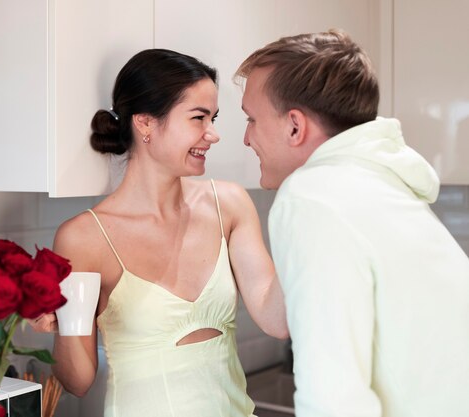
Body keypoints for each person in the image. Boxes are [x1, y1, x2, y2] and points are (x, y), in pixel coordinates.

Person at [29, 48, 288, 416]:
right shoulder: (85, 237)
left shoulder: (228, 205)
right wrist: (59, 320)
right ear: (146, 123)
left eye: (213, 118)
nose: (212, 135)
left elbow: (277, 319)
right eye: (198, 118)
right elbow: (78, 381)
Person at [236, 29, 469, 417]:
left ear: (295, 127)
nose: (245, 139)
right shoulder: (377, 182)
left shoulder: (312, 196)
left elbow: (333, 395)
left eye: (251, 119)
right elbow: (281, 314)